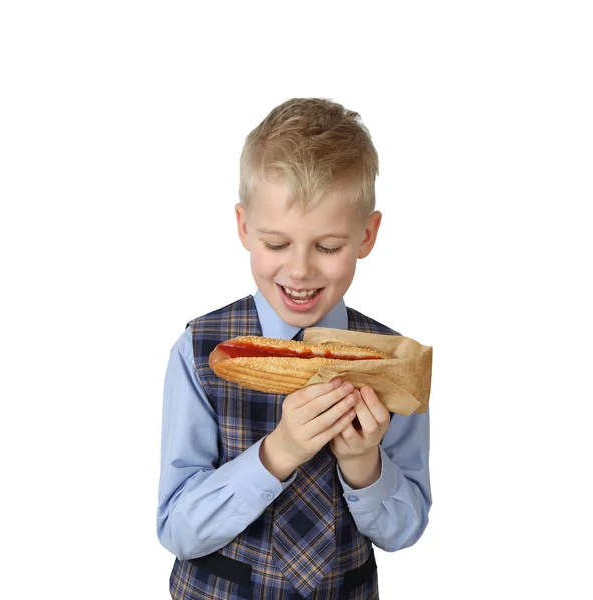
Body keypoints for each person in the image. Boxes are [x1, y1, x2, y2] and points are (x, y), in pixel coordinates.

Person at [157, 98, 431, 600]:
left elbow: (404, 529)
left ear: (367, 235)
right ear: (244, 228)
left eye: (328, 247)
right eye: (277, 244)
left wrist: (364, 463)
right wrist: (278, 452)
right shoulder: (197, 349)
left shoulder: (395, 362)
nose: (300, 270)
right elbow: (176, 528)